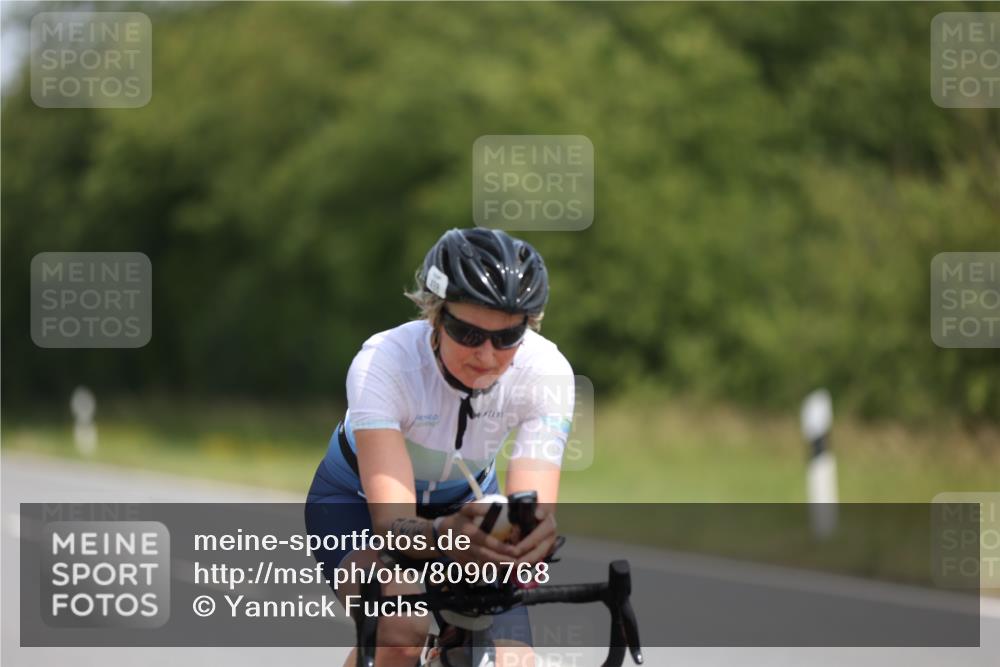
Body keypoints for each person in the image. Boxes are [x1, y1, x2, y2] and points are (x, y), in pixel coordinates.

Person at [305, 228, 575, 667]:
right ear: (435, 315)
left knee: (513, 660)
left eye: (507, 337)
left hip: (468, 506)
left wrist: (532, 537)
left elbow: (531, 506)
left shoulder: (547, 372)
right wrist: (445, 536)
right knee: (399, 630)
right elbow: (391, 525)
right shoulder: (384, 363)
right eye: (467, 333)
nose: (486, 356)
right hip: (356, 504)